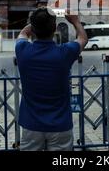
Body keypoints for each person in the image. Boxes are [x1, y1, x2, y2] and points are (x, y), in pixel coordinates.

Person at [16, 8, 88, 151]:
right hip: (60, 123)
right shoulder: (65, 52)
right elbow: (83, 39)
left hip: (31, 124)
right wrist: (75, 21)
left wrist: (36, 22)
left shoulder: (22, 50)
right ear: (54, 28)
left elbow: (23, 33)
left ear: (33, 29)